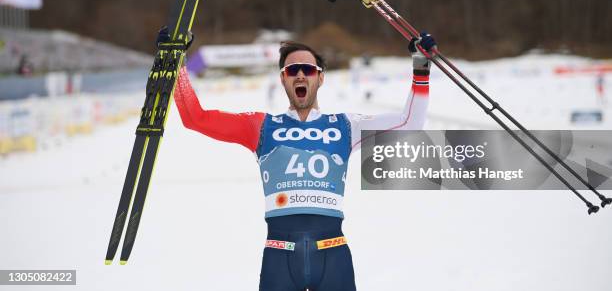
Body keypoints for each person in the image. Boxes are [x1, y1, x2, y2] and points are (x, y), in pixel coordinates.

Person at [169, 31, 436, 291]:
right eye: (291, 70)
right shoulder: (261, 126)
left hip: (332, 255)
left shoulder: (346, 126)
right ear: (283, 80)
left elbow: (410, 121)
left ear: (320, 78)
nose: (299, 74)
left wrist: (421, 67)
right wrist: (177, 63)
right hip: (279, 257)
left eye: (307, 70)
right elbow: (195, 118)